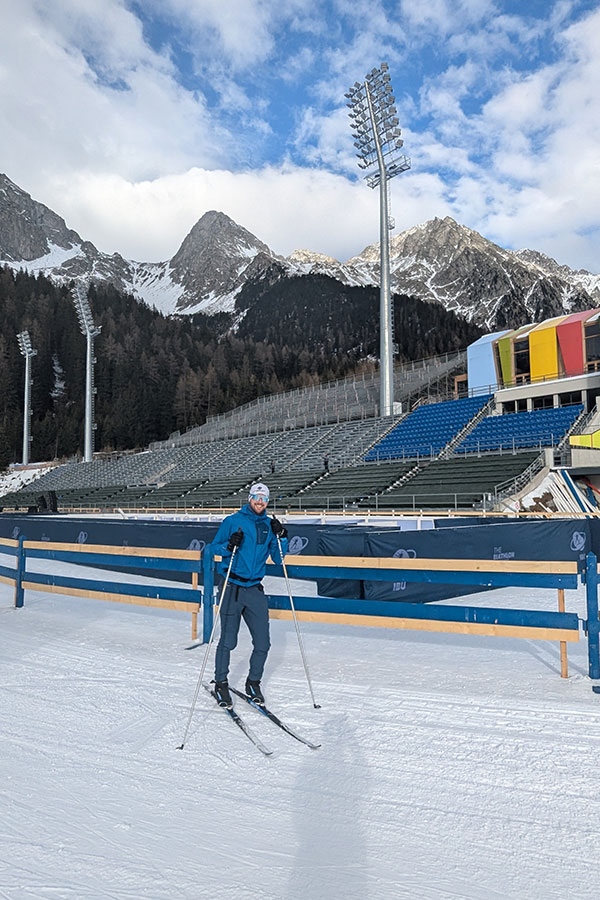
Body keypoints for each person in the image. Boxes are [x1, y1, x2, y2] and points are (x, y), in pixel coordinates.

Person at [208, 482, 288, 709]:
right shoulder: (233, 521)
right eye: (256, 497)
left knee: (263, 642)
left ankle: (253, 683)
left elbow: (279, 559)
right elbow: (213, 548)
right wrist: (228, 546)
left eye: (264, 498)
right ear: (249, 497)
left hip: (254, 589)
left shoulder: (268, 525)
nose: (260, 502)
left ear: (268, 501)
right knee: (228, 641)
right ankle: (221, 683)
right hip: (232, 586)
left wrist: (281, 536)